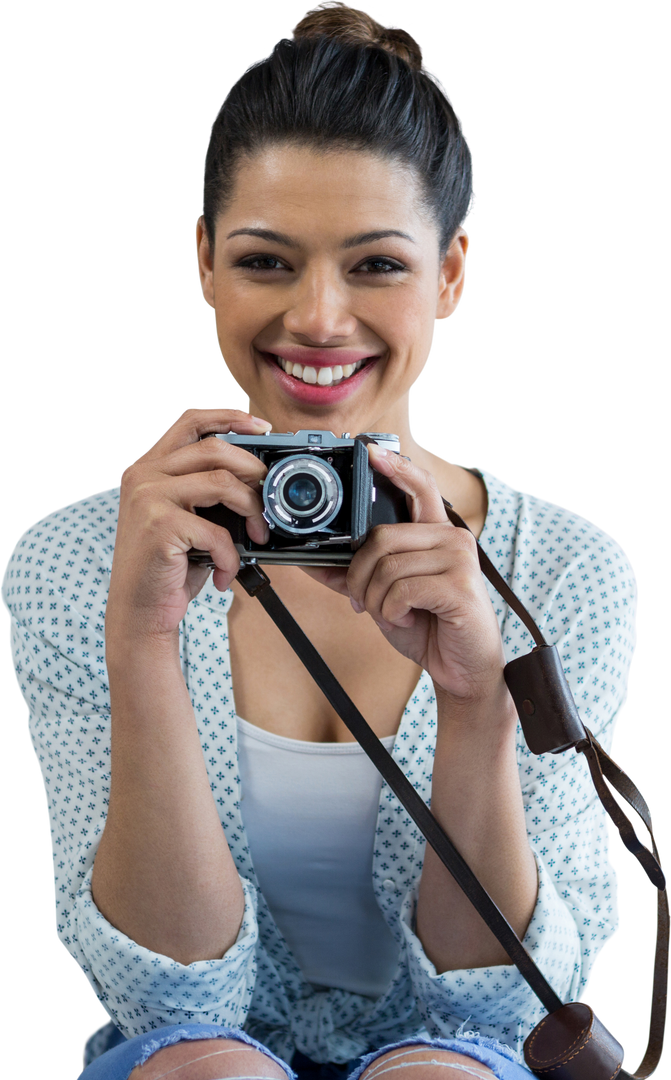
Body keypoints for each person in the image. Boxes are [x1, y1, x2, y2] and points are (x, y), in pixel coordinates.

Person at [0, 4, 639, 1080]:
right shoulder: (75, 559)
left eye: (377, 267)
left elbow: (496, 1004)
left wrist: (477, 697)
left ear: (450, 274)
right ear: (203, 261)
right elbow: (167, 998)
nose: (318, 319)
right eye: (266, 261)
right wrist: (143, 643)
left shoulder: (564, 570)